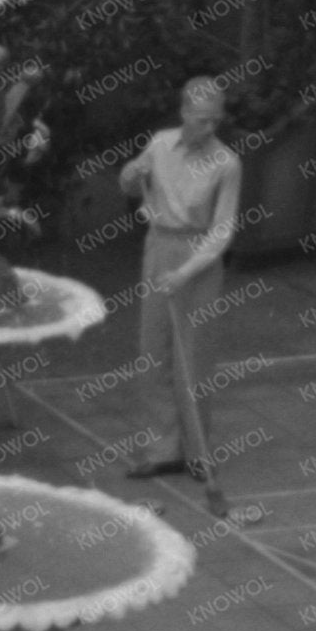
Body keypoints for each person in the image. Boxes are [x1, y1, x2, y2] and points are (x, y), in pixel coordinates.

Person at [116, 76, 241, 494]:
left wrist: (185, 273)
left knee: (195, 355)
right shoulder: (159, 144)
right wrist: (130, 176)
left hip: (199, 257)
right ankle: (161, 448)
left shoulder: (227, 163)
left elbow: (223, 230)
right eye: (201, 120)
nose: (209, 129)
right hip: (159, 246)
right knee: (155, 352)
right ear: (184, 112)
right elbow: (133, 187)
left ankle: (198, 451)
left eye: (215, 121)